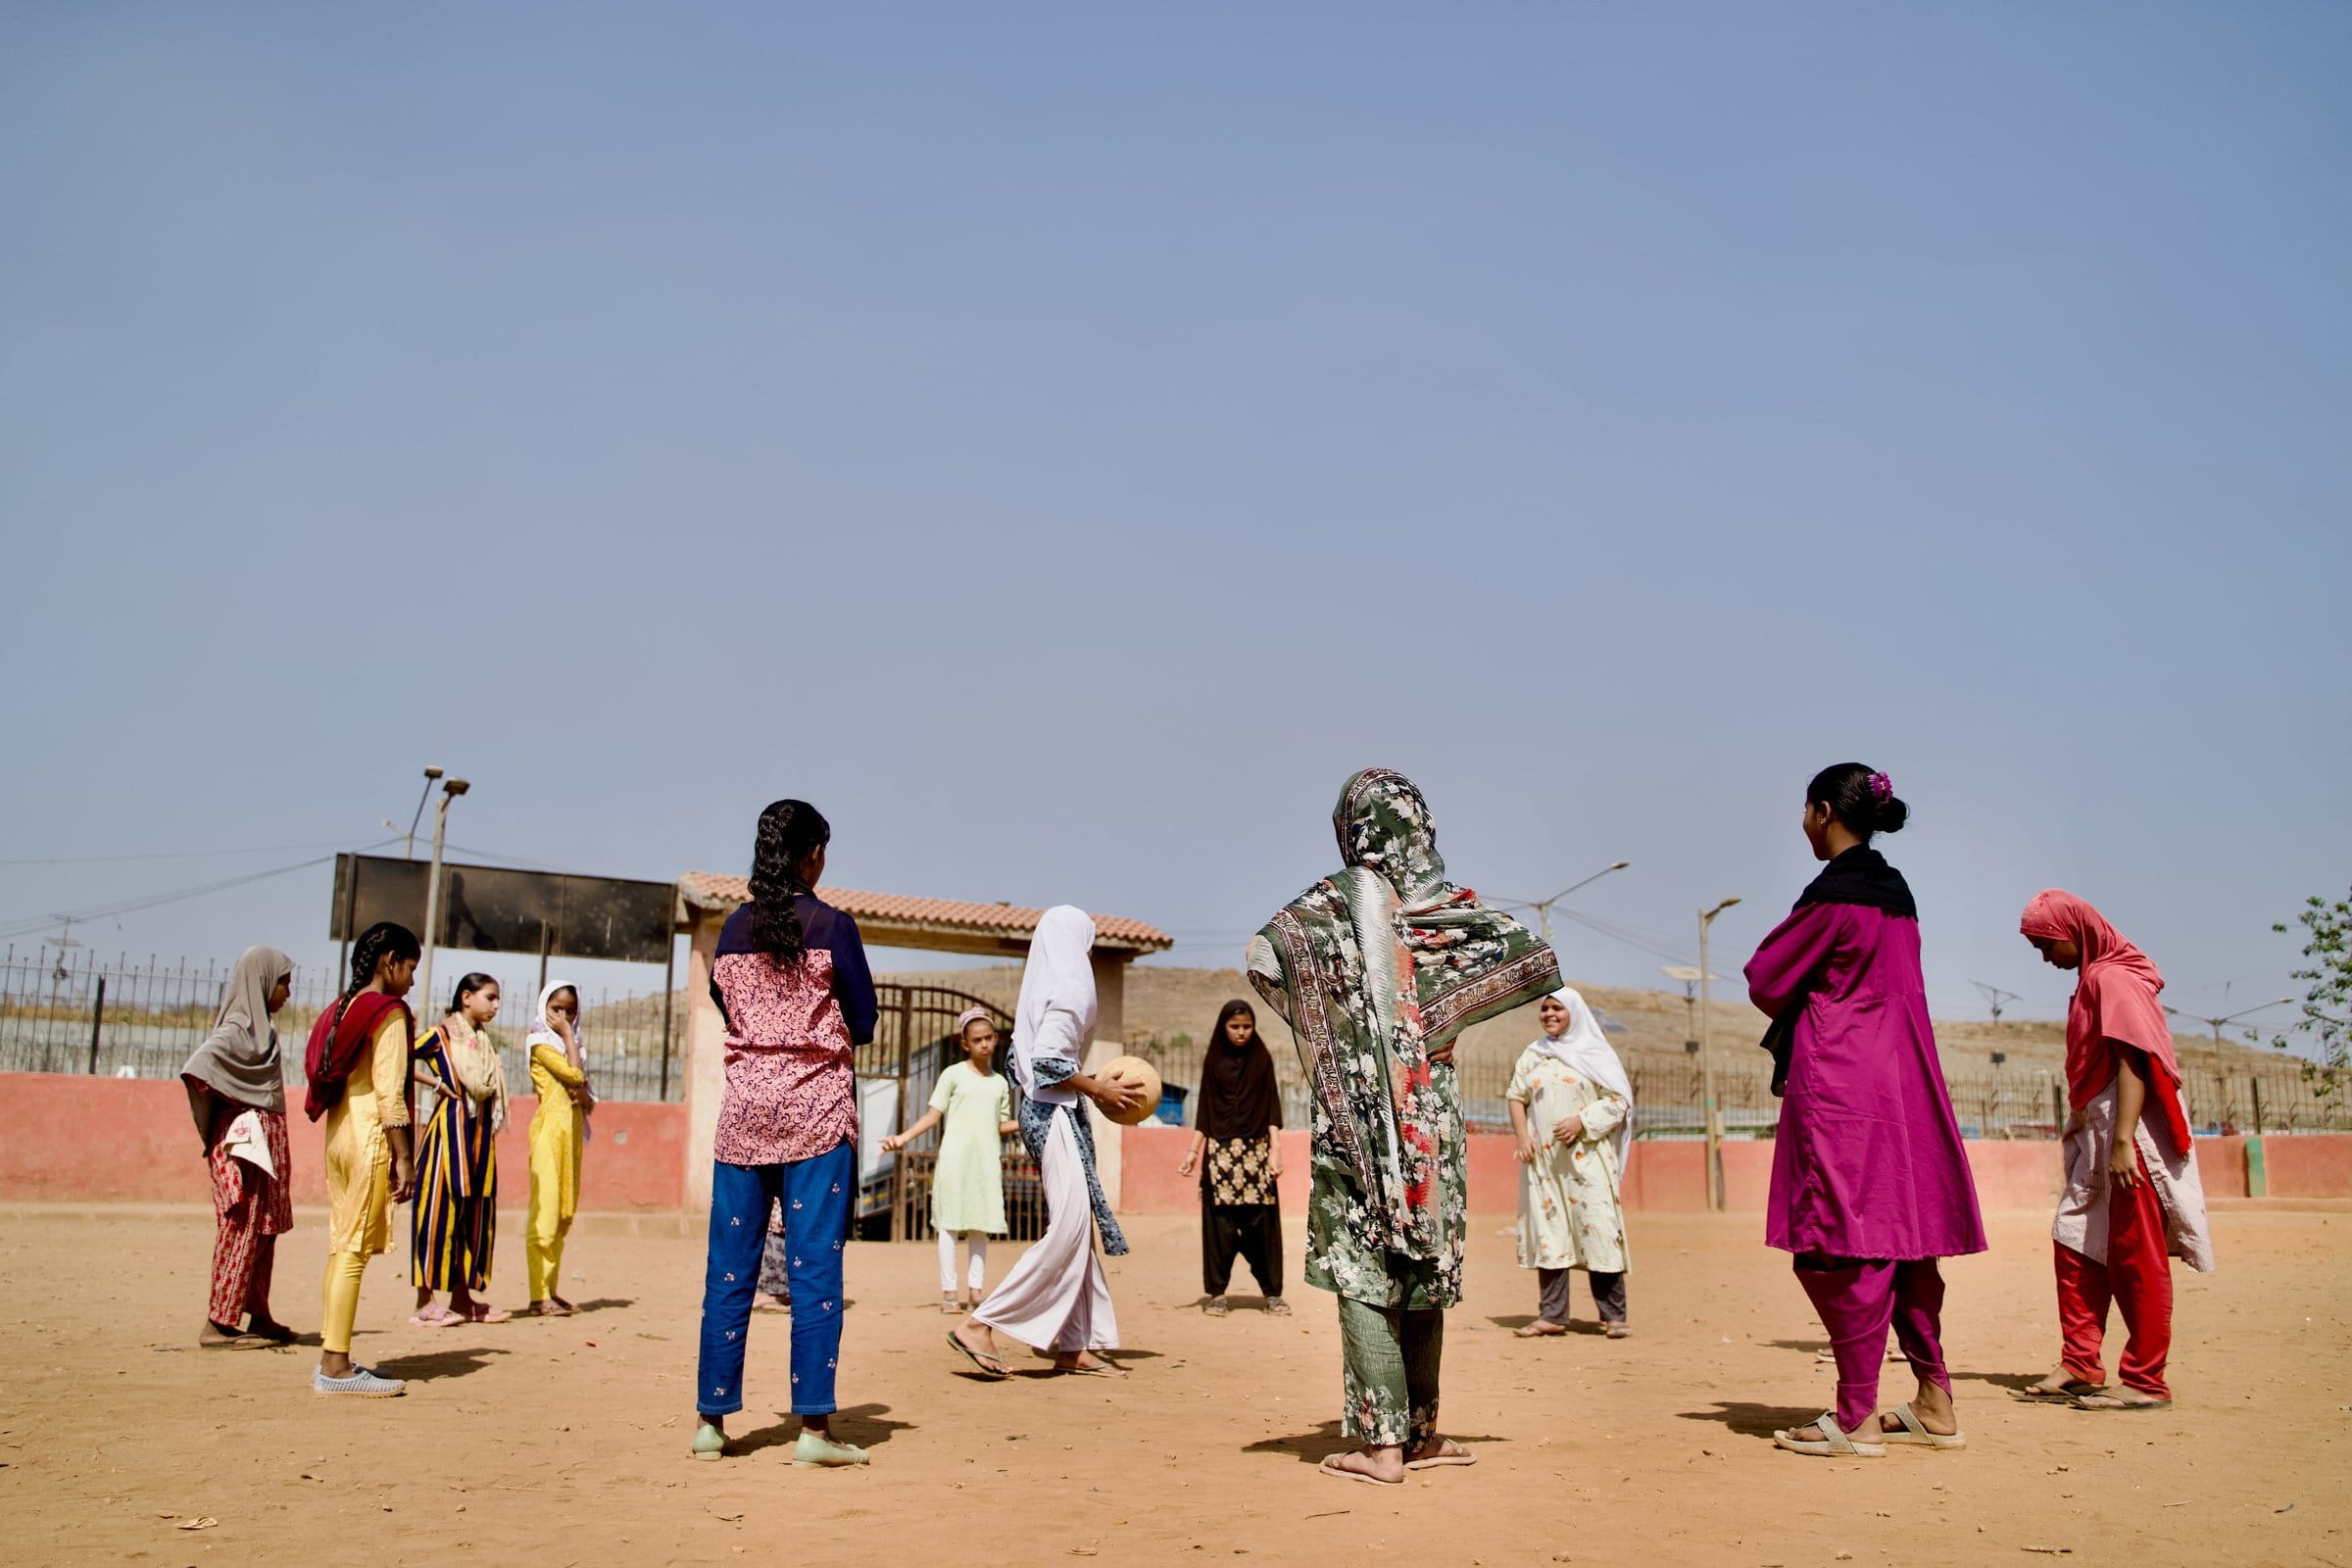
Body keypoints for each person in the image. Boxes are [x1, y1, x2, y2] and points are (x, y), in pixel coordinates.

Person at [1246, 768, 1562, 1486]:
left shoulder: (1332, 905)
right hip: (1430, 1118)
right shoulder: (1449, 913)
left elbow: (1263, 958)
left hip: (1356, 1111)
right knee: (1423, 1263)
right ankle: (1421, 1432)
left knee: (1363, 1267)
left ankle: (1381, 1443)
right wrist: (1426, 1027)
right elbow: (1529, 955)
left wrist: (1342, 1026)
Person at [1743, 764, 1984, 1457]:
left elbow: (1766, 978)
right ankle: (1935, 1401)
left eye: (1806, 811)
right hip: (1905, 1078)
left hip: (1842, 1083)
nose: (1803, 823)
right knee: (1904, 1241)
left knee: (1838, 1243)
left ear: (1824, 812)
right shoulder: (1898, 895)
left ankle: (1855, 1417)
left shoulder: (1834, 896)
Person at [692, 800, 876, 1467]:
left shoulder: (733, 928)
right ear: (812, 854)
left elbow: (724, 1002)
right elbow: (864, 1020)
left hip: (743, 1119)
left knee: (729, 1270)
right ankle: (814, 1431)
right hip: (816, 1119)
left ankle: (711, 1424)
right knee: (814, 1270)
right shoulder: (833, 925)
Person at [2018, 889, 2214, 1411]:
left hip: (2130, 1132)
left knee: (2135, 1253)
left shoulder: (2113, 978)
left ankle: (2146, 1380)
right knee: (2075, 1239)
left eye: (2047, 945)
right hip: (2100, 1130)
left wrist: (2124, 1141)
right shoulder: (2094, 979)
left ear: (2074, 932)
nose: (2045, 958)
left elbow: (2134, 1061)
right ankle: (2080, 1361)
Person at [949, 906, 1148, 1380]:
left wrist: (1086, 1083)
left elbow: (1021, 1059)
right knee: (1070, 1229)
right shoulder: (1072, 985)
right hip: (1054, 1115)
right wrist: (1097, 1089)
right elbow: (1047, 1064)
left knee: (1076, 1229)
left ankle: (1075, 1343)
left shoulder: (1040, 987)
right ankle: (980, 1323)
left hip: (1044, 1112)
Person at [303, 920, 421, 1397]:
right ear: (390, 962)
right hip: (370, 1136)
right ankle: (335, 1367)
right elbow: (390, 1093)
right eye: (410, 968)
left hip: (338, 1134)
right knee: (352, 1252)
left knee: (341, 1246)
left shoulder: (341, 1008)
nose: (411, 980)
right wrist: (404, 1157)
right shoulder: (388, 1013)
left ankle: (333, 1356)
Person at [179, 945, 299, 1348]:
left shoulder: (262, 1032)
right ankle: (218, 1323)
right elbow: (198, 1069)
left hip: (268, 1142)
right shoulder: (235, 1030)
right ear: (261, 982)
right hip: (247, 1145)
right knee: (242, 1226)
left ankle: (258, 1314)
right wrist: (232, 1112)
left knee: (266, 1228)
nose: (287, 993)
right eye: (283, 983)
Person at [1506, 987, 1633, 1340]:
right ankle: (1552, 1315)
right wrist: (1523, 1138)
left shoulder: (1595, 1053)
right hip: (1545, 1163)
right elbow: (1516, 1096)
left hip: (1587, 1160)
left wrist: (1582, 1120)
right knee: (1551, 1234)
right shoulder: (1535, 1053)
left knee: (1598, 1229)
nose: (1549, 1014)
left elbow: (1618, 1100)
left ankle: (1614, 1316)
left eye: (1557, 1008)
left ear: (1574, 1013)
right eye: (1544, 1008)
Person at [883, 1007, 1019, 1313]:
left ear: (996, 1039)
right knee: (948, 1225)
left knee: (981, 1225)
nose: (984, 1044)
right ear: (965, 1044)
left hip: (985, 1162)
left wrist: (1028, 1121)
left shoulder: (1000, 1083)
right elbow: (933, 1115)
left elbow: (1000, 1125)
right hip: (954, 1160)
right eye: (977, 1040)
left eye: (988, 1038)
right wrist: (902, 1139)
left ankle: (976, 1292)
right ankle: (949, 1293)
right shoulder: (952, 1075)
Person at [1176, 1000, 1289, 1317]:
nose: (1241, 1032)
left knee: (1262, 1227)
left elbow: (1271, 1106)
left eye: (1247, 1026)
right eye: (1235, 1026)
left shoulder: (1262, 1059)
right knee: (1219, 1229)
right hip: (1220, 1157)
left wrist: (1276, 1150)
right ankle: (1217, 1295)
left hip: (1257, 1155)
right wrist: (1192, 1152)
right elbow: (1205, 1111)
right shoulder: (1214, 1061)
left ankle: (1273, 1295)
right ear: (1223, 1027)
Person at [410, 972, 511, 1326]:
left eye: (498, 999)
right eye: (490, 997)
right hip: (446, 1139)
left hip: (479, 1139)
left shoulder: (483, 1042)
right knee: (436, 1215)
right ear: (466, 997)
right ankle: (425, 1302)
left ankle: (463, 1300)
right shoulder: (441, 1036)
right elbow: (399, 1057)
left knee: (473, 1218)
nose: (496, 1005)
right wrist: (435, 1082)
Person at [525, 978, 593, 1316]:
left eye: (570, 1011)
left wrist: (583, 1095)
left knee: (564, 1215)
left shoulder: (575, 1048)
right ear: (544, 1008)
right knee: (546, 1215)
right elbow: (576, 1077)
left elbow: (587, 1098)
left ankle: (551, 1289)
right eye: (556, 1009)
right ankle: (538, 1294)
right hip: (549, 1135)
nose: (563, 1017)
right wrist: (568, 1036)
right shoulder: (540, 1043)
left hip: (571, 1136)